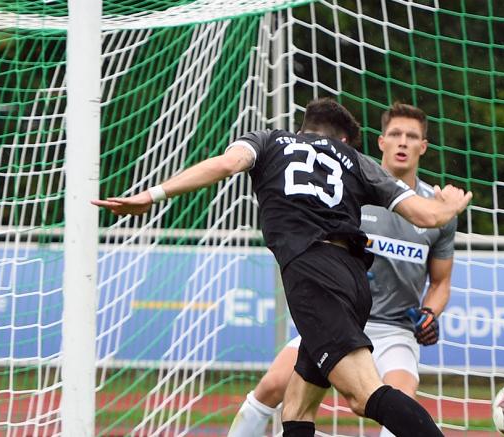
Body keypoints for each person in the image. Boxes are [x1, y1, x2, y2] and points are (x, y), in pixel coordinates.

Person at [93, 98, 470, 437]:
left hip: (315, 276)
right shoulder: (355, 160)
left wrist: (152, 195)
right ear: (345, 139)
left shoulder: (268, 140)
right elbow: (428, 215)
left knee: (364, 396)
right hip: (354, 281)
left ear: (304, 127)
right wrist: (450, 206)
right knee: (297, 408)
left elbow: (225, 165)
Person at [227, 103, 456, 437]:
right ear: (381, 142)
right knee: (275, 386)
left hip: (394, 330)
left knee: (394, 399)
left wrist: (430, 313)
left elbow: (441, 282)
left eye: (411, 136)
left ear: (423, 146)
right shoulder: (347, 185)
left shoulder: (434, 209)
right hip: (338, 312)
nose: (403, 142)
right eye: (395, 134)